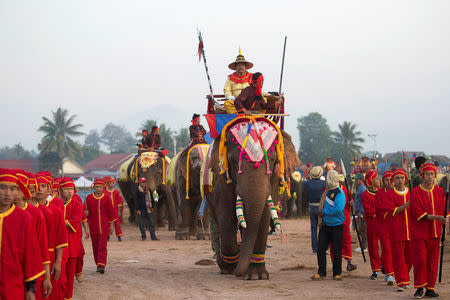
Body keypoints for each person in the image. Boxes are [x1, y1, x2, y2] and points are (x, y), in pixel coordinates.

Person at [0, 169, 45, 300]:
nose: (8, 193)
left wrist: (31, 289)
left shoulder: (24, 218)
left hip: (13, 287)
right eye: (3, 187)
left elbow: (31, 254)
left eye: (13, 188)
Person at [410, 163, 449, 298]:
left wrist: (444, 233)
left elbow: (445, 214)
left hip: (435, 233)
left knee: (433, 262)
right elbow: (418, 214)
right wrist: (436, 217)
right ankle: (420, 287)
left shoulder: (439, 191)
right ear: (422, 176)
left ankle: (430, 288)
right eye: (427, 174)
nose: (430, 177)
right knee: (420, 260)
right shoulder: (415, 192)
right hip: (420, 233)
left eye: (432, 174)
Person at [13, 170, 53, 300]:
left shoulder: (34, 214)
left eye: (17, 188)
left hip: (33, 272)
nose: (12, 193)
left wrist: (47, 277)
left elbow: (42, 248)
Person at [35, 172, 68, 300]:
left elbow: (60, 239)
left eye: (43, 186)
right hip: (34, 258)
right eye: (37, 186)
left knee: (53, 292)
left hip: (51, 256)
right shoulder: (26, 211)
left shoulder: (55, 211)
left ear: (49, 189)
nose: (39, 189)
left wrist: (58, 261)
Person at [312, 170, 346, 280]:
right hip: (325, 225)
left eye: (328, 177)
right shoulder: (326, 192)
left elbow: (339, 209)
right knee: (321, 249)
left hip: (337, 225)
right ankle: (321, 272)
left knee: (336, 250)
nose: (326, 179)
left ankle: (337, 273)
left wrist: (325, 211)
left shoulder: (340, 192)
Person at [385, 169, 413, 291]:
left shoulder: (411, 192)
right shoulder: (389, 194)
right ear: (393, 181)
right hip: (397, 230)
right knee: (398, 257)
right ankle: (402, 281)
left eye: (402, 178)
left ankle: (403, 275)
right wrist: (408, 204)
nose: (400, 180)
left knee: (410, 257)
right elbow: (393, 211)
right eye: (397, 178)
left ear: (405, 179)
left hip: (411, 230)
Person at [58, 177, 84, 300]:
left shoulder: (77, 204)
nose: (69, 191)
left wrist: (58, 222)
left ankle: (68, 297)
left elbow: (75, 221)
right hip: (58, 246)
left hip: (72, 244)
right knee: (60, 275)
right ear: (61, 190)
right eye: (66, 189)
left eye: (71, 189)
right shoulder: (54, 204)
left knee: (69, 275)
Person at [84, 178, 115, 273]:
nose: (98, 188)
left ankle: (101, 264)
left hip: (104, 226)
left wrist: (111, 225)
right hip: (93, 227)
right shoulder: (88, 198)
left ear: (103, 187)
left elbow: (111, 212)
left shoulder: (106, 198)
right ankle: (98, 263)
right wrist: (85, 213)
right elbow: (84, 213)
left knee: (102, 246)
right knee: (95, 246)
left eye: (100, 187)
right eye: (97, 186)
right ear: (94, 187)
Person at [375, 170, 396, 285]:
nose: (389, 182)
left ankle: (395, 271)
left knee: (396, 251)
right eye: (386, 180)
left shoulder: (397, 193)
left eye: (390, 180)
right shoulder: (379, 194)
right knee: (387, 250)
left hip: (396, 227)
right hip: (383, 226)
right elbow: (379, 208)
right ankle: (389, 274)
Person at [361, 170, 382, 280]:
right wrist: (380, 211)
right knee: (373, 247)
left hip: (383, 223)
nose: (379, 180)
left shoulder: (382, 192)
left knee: (386, 246)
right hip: (372, 224)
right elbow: (369, 211)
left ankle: (385, 265)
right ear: (371, 181)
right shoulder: (365, 195)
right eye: (376, 179)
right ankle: (375, 269)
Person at [303, 166, 326, 253]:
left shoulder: (307, 183)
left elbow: (304, 182)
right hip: (321, 207)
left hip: (312, 207)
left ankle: (314, 248)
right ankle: (322, 246)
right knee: (322, 228)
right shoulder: (324, 183)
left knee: (313, 228)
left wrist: (308, 177)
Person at [223, 47, 253, 113]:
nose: (240, 67)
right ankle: (240, 113)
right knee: (227, 103)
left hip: (249, 101)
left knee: (263, 100)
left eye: (242, 65)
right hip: (236, 102)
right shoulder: (230, 77)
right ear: (235, 67)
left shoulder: (252, 76)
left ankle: (252, 113)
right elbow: (226, 90)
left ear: (245, 67)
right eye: (238, 65)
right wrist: (230, 97)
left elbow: (257, 88)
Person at [104, 176, 124, 241]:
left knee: (117, 224)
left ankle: (119, 236)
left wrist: (119, 211)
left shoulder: (116, 192)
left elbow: (119, 202)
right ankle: (107, 236)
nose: (112, 184)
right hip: (107, 211)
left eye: (113, 183)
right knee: (107, 224)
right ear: (108, 183)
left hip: (115, 210)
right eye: (110, 183)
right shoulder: (105, 192)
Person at [353, 173, 367, 252]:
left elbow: (363, 202)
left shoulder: (363, 189)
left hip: (361, 212)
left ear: (361, 180)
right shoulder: (359, 188)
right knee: (361, 229)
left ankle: (364, 247)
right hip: (358, 211)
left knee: (363, 229)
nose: (355, 181)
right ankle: (362, 245)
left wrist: (361, 212)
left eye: (357, 180)